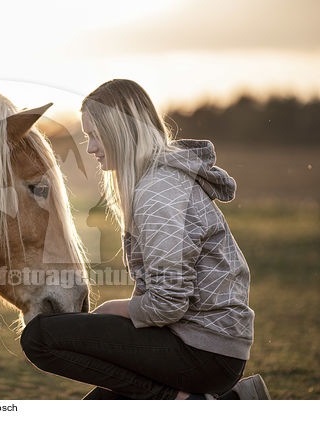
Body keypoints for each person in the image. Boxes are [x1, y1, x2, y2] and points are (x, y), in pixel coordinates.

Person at [20, 79, 270, 400]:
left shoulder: (159, 193)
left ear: (119, 133)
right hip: (195, 343)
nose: (92, 148)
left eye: (95, 136)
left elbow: (168, 303)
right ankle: (227, 401)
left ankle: (188, 402)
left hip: (204, 351)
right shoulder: (155, 185)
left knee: (40, 337)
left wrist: (116, 308)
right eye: (87, 137)